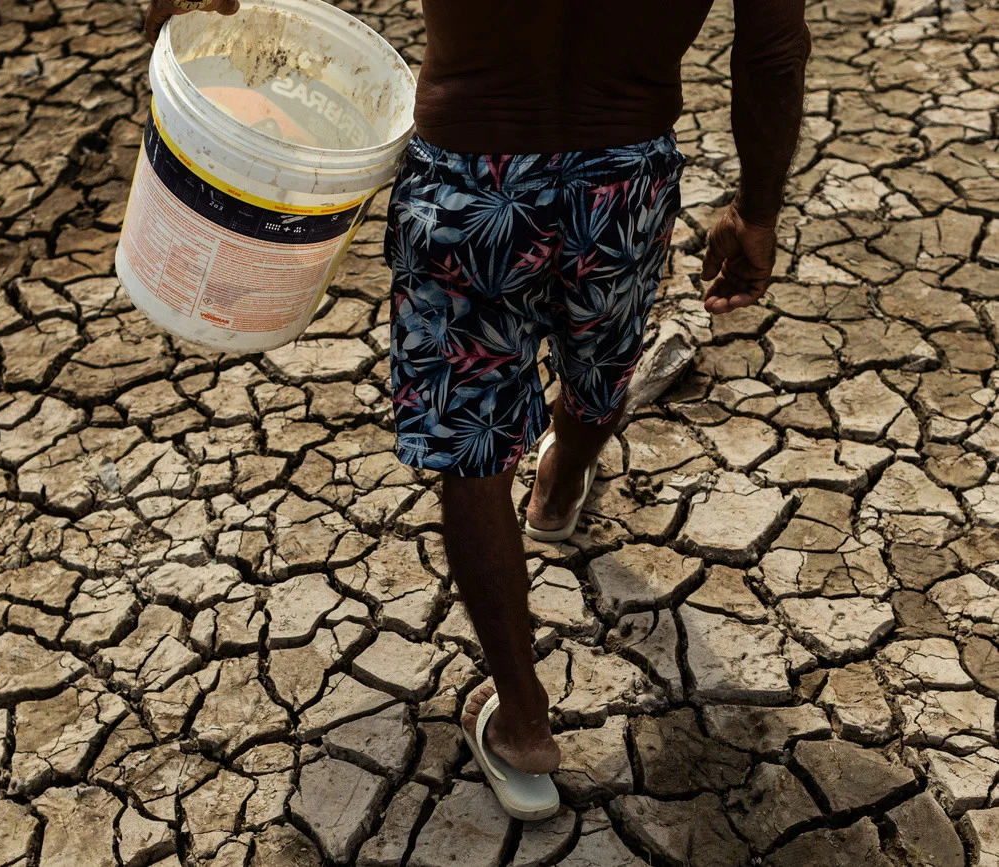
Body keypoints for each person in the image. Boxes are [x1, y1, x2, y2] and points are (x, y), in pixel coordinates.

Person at [145, 0, 811, 819]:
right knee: (601, 364)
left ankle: (525, 723)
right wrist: (758, 208)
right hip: (622, 178)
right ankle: (562, 485)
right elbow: (771, 51)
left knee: (473, 452)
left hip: (469, 176)